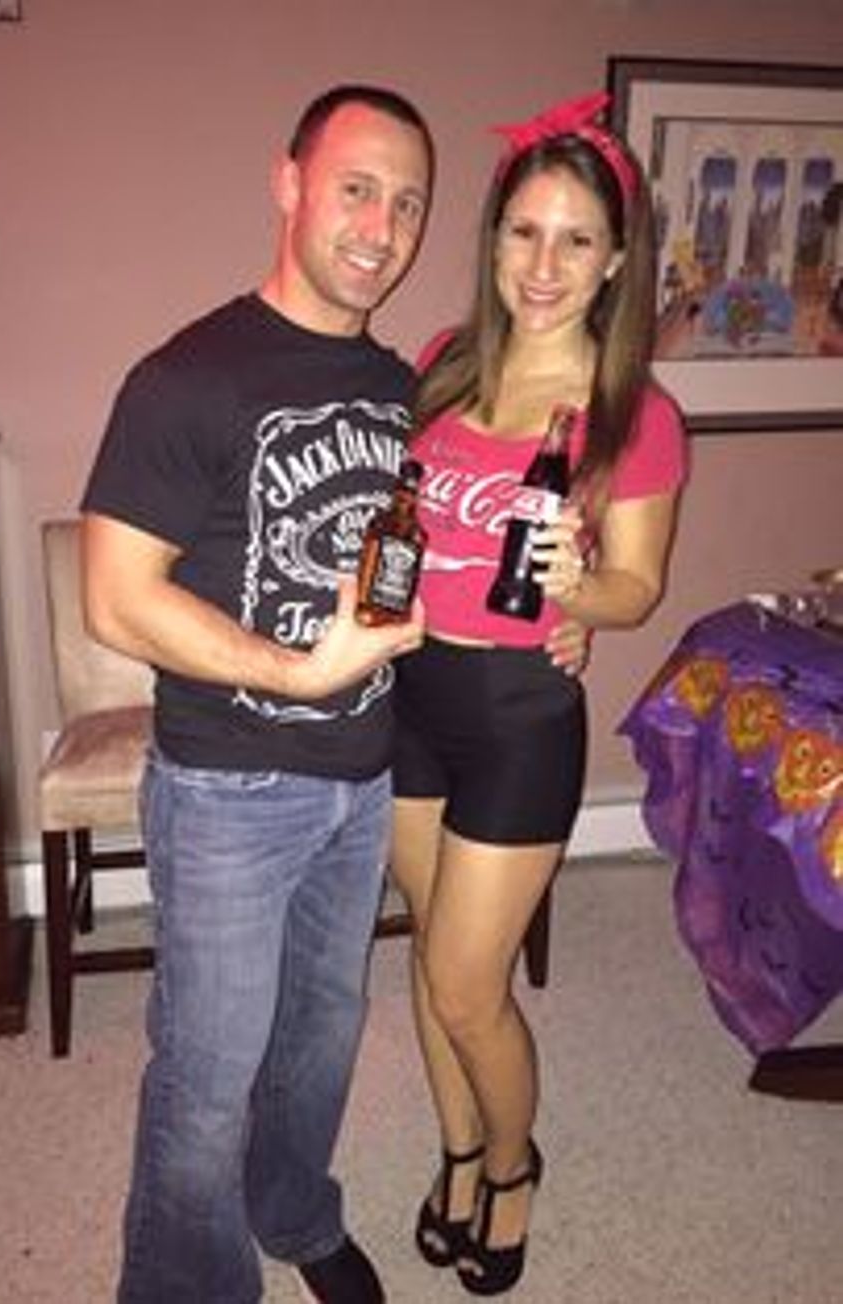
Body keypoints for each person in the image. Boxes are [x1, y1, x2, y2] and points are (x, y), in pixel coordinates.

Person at [80, 85, 435, 1304]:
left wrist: (558, 613)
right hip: (228, 789)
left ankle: (292, 1208)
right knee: (205, 1075)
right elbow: (115, 598)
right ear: (288, 185)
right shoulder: (187, 376)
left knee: (319, 1041)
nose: (381, 228)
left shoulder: (400, 387)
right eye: (356, 188)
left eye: (407, 203)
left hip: (360, 778)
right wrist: (293, 669)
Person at [390, 92, 688, 1296]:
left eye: (575, 239)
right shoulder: (440, 364)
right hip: (408, 690)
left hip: (518, 713)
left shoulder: (633, 414)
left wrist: (579, 589)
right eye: (523, 231)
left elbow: (635, 588)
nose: (543, 264)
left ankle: (513, 1165)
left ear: (613, 259)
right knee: (429, 959)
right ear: (493, 237)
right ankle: (458, 1148)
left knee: (470, 984)